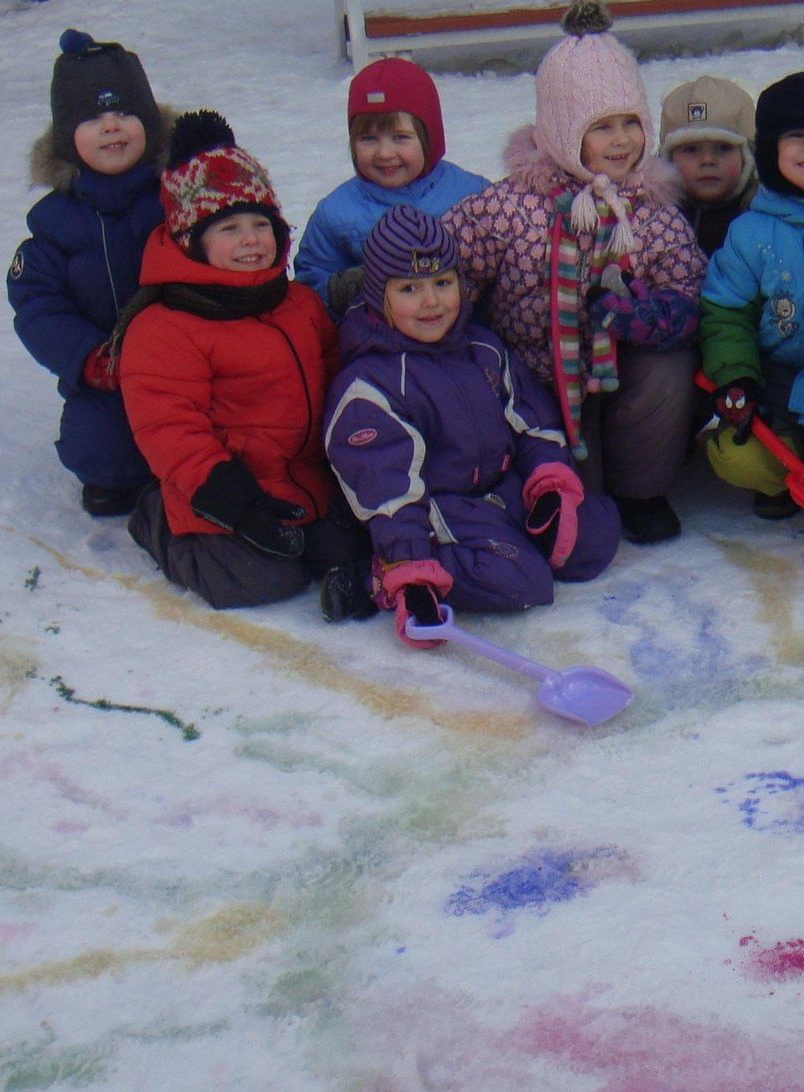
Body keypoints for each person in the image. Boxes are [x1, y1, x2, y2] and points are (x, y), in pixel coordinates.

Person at [441, 0, 705, 545]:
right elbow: (452, 267)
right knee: (577, 498)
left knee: (670, 367)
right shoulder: (512, 206)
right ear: (563, 131)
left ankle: (643, 492)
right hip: (534, 382)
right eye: (601, 127)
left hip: (618, 382)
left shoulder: (652, 211)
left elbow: (690, 291)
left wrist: (650, 317)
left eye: (631, 123)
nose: (622, 141)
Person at [117, 111, 373, 619]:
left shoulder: (298, 304)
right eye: (230, 229)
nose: (252, 241)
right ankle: (156, 519)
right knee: (256, 580)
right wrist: (235, 502)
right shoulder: (165, 327)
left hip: (301, 481)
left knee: (342, 554)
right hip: (220, 486)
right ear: (192, 239)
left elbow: (335, 384)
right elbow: (171, 429)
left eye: (262, 225)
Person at [326, 206, 621, 647]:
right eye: (410, 289)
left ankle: (524, 536)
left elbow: (532, 419)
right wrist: (412, 569)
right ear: (379, 296)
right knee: (521, 580)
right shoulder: (371, 384)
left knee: (594, 531)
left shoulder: (482, 347)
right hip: (438, 509)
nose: (431, 302)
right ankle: (387, 572)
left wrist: (547, 484)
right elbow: (387, 487)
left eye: (442, 284)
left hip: (502, 489)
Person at [698, 70, 804, 520]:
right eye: (797, 136)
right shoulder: (750, 232)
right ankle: (780, 478)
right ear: (771, 148)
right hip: (777, 389)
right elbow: (726, 314)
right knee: (739, 458)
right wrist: (737, 377)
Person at [7, 30, 167, 517]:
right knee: (101, 448)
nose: (111, 127)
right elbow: (38, 305)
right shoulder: (55, 223)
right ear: (66, 138)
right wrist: (88, 358)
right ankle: (119, 476)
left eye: (124, 113)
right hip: (109, 373)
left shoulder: (181, 194)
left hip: (189, 361)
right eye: (93, 117)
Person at [294, 58, 489, 317]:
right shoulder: (337, 213)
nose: (385, 153)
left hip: (462, 339)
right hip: (375, 343)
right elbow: (309, 291)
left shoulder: (472, 197)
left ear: (430, 137)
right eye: (368, 139)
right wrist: (343, 288)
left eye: (400, 137)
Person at [659, 75, 757, 257]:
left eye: (723, 148)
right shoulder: (652, 220)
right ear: (668, 160)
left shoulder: (763, 217)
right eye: (691, 149)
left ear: (747, 158)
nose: (707, 160)